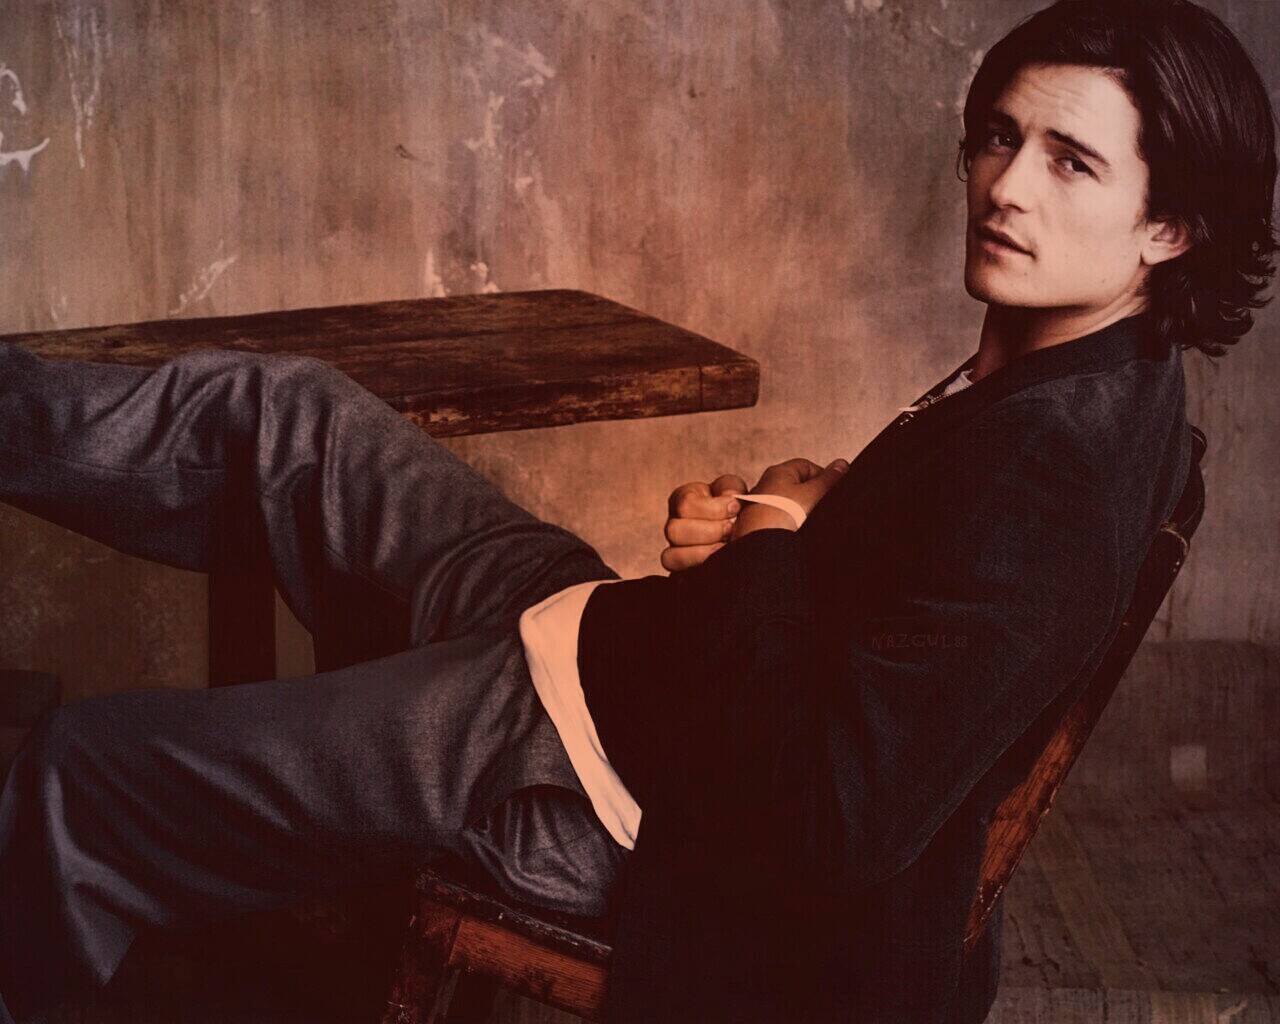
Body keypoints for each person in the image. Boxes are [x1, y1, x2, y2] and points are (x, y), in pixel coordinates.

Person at [0, 2, 1274, 1023]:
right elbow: (912, 611)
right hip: (633, 652)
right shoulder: (1082, 377)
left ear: (1168, 225)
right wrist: (783, 534)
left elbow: (836, 813)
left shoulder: (1058, 468)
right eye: (998, 136)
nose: (1006, 187)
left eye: (1069, 161)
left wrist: (771, 544)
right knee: (288, 414)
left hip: (599, 782)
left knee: (84, 773)